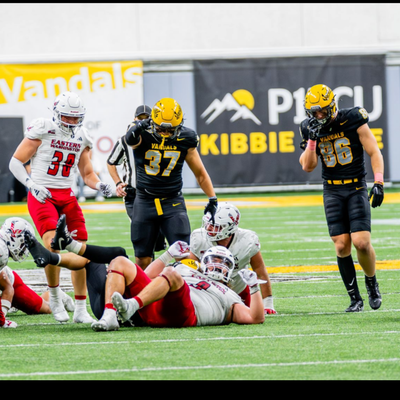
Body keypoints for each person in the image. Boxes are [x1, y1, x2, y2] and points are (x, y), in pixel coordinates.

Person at [24, 224, 265, 331]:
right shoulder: (190, 269)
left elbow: (255, 318)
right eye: (213, 260)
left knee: (169, 272)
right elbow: (147, 278)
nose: (217, 266)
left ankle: (128, 305)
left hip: (185, 313)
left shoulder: (231, 295)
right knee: (120, 260)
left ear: (232, 270)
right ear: (204, 261)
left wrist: (254, 288)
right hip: (148, 305)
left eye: (223, 263)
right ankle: (110, 314)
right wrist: (169, 255)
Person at [8, 91, 112, 323]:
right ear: (56, 113)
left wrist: (100, 185)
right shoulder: (43, 128)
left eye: (76, 117)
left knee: (81, 251)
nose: (72, 122)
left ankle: (81, 308)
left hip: (67, 195)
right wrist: (31, 185)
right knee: (51, 244)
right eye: (67, 116)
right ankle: (54, 296)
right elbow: (15, 161)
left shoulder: (82, 136)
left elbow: (87, 173)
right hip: (42, 193)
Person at [299, 84, 384, 312]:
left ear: (332, 106)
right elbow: (308, 166)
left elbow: (374, 151)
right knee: (341, 245)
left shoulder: (353, 118)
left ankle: (371, 282)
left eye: (322, 110)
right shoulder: (308, 127)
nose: (319, 116)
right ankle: (355, 299)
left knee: (361, 243)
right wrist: (312, 141)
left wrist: (378, 182)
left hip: (356, 186)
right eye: (314, 112)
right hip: (332, 190)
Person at [122, 97, 218, 270]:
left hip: (172, 201)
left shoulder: (187, 138)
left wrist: (212, 198)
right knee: (142, 258)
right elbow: (129, 139)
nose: (165, 134)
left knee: (184, 254)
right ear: (152, 123)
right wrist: (141, 125)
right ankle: (146, 288)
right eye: (161, 129)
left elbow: (200, 173)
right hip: (144, 201)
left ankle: (184, 287)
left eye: (170, 130)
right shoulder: (142, 133)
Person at [188, 202, 276, 315]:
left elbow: (260, 271)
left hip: (238, 292)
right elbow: (191, 271)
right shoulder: (199, 237)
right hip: (208, 292)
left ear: (229, 227)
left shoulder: (247, 241)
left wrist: (268, 303)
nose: (208, 227)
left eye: (215, 226)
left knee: (249, 319)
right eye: (208, 223)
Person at [107, 104, 166, 262]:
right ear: (134, 119)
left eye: (147, 118)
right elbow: (111, 162)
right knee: (143, 233)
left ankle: (150, 267)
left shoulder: (158, 138)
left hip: (155, 192)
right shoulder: (125, 140)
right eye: (140, 118)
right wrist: (118, 182)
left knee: (156, 236)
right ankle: (146, 271)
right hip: (134, 193)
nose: (143, 121)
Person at [0, 217, 74, 328]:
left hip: (9, 280)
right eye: (24, 242)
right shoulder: (2, 251)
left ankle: (54, 295)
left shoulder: (2, 250)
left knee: (45, 308)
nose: (25, 248)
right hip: (5, 280)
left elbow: (8, 287)